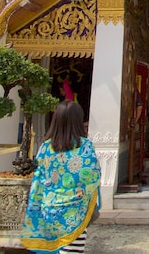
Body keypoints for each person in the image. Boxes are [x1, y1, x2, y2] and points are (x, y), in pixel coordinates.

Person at [21, 100, 100, 254]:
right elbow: (94, 176)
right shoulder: (85, 147)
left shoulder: (45, 147)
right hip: (75, 212)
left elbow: (40, 178)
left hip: (49, 209)